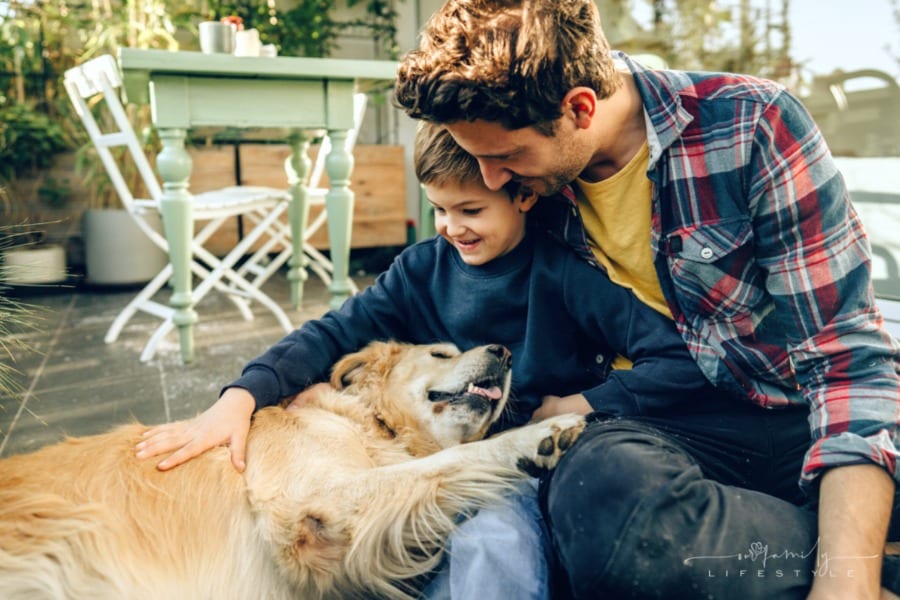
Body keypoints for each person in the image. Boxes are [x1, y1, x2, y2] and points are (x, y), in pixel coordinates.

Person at [392, 1, 900, 599]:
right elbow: (408, 289)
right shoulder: (528, 189)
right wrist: (255, 388)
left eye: (504, 157)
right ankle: (857, 557)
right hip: (648, 432)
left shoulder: (752, 125)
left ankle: (825, 557)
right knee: (605, 508)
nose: (491, 180)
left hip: (797, 413)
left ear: (580, 109)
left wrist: (846, 585)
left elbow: (846, 363)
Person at [136, 120, 717, 599]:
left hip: (515, 468)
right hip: (414, 454)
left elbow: (678, 358)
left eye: (469, 211)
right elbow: (332, 332)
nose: (451, 228)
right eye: (439, 210)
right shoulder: (422, 269)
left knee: (494, 543)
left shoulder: (566, 277)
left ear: (521, 193)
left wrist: (585, 402)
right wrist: (244, 394)